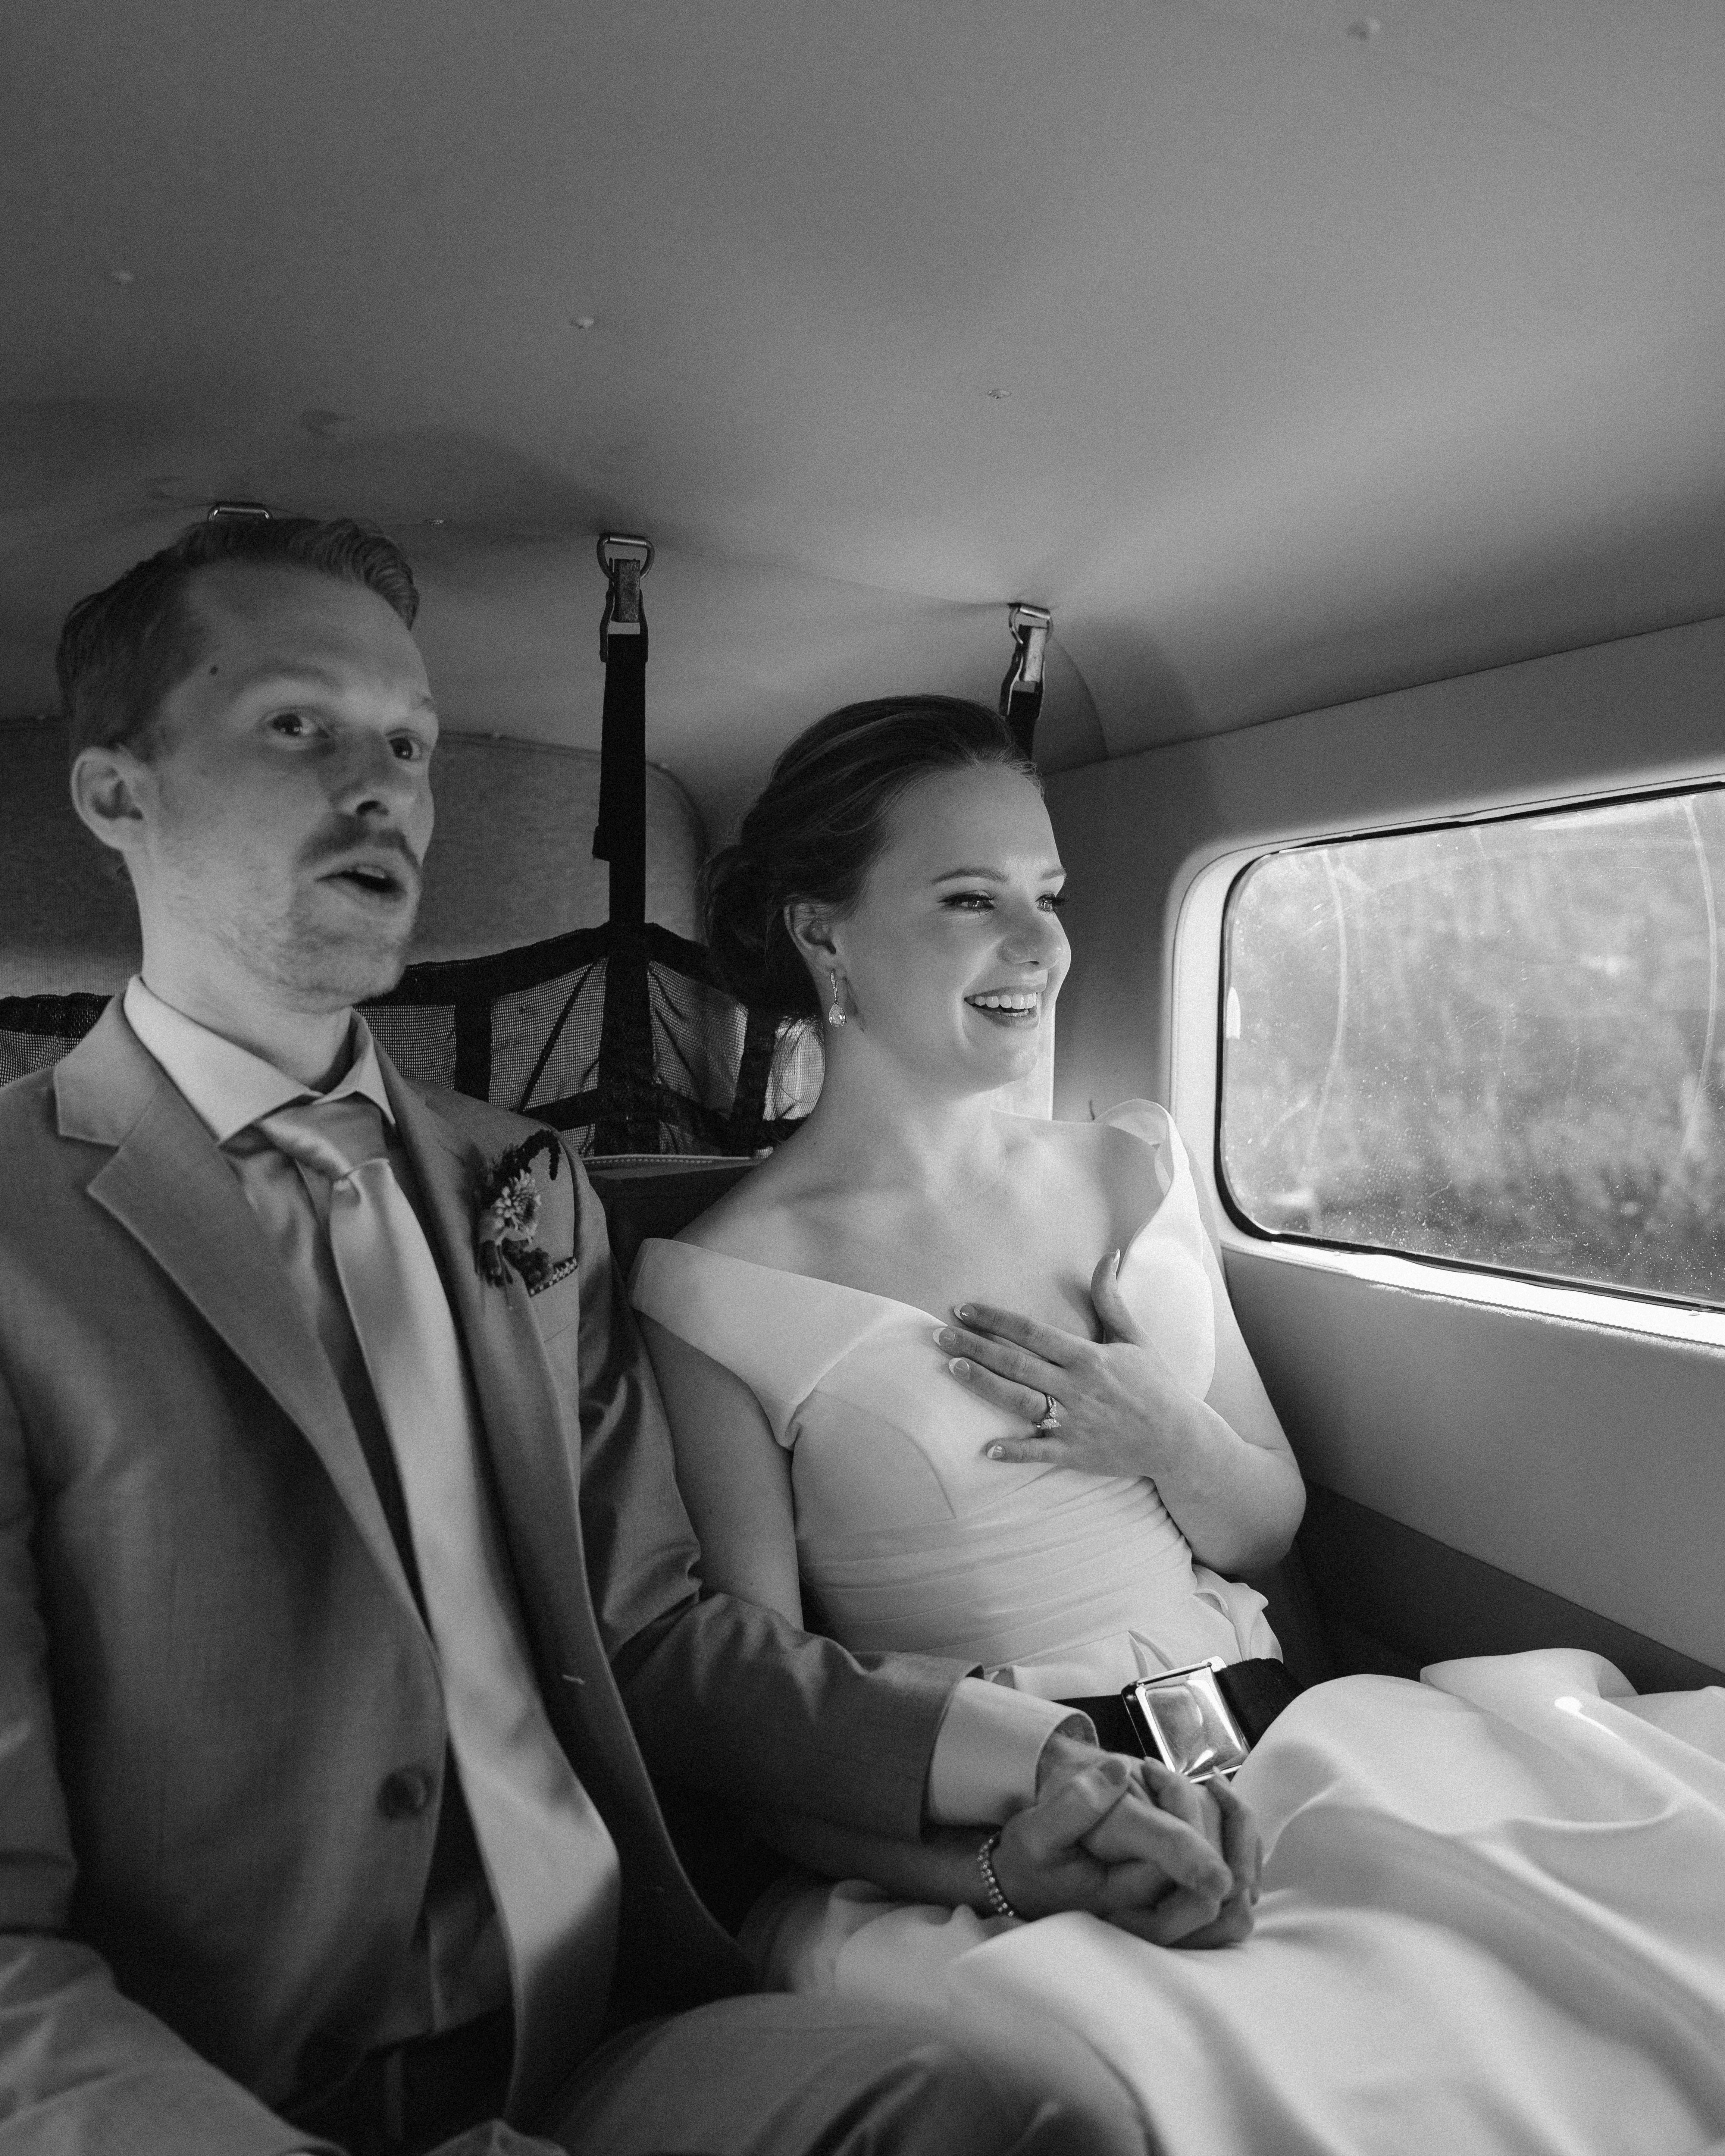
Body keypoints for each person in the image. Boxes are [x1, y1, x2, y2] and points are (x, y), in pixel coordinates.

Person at [0, 524, 1250, 2156]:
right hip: (220, 2077)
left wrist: (1041, 1765)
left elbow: (656, 1635)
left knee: (1012, 2118)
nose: (382, 790)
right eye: (298, 725)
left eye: (410, 743)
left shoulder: (522, 1184)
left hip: (596, 2022)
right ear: (119, 795)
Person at [630, 695, 1725, 2156]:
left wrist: (1160, 1433)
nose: (1039, 944)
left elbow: (1264, 1523)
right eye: (971, 899)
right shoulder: (718, 1288)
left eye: (1049, 895)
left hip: (1297, 1743)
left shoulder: (1130, 1163)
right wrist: (1011, 1864)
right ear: (823, 934)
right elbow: (764, 1728)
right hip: (1028, 1829)